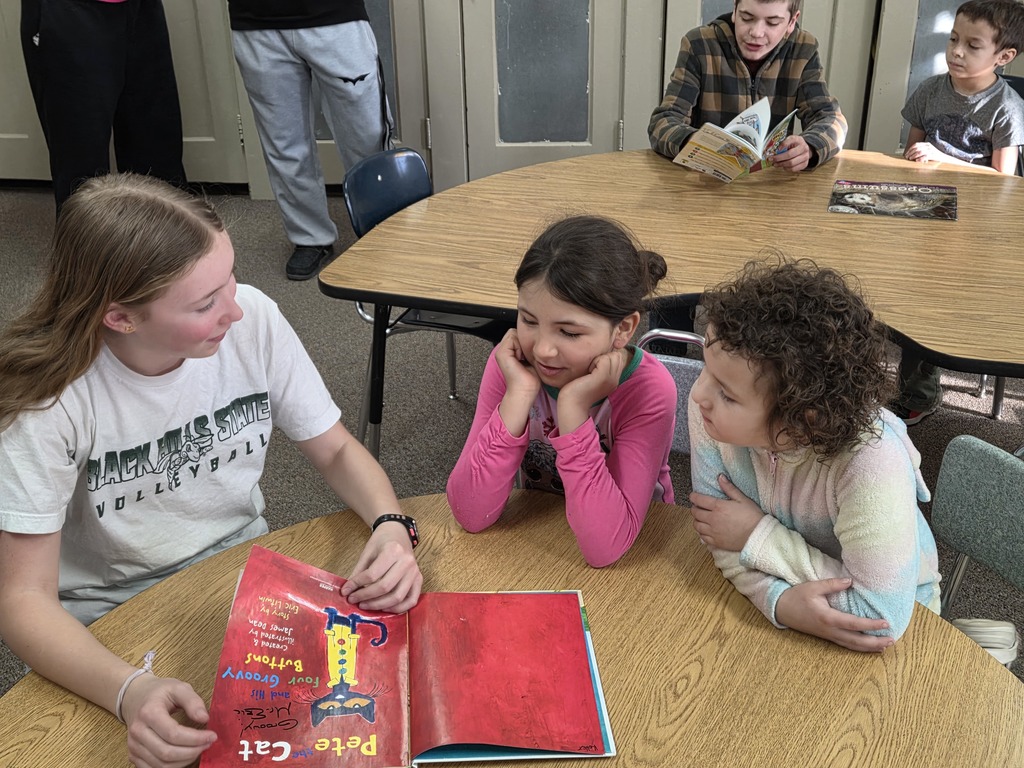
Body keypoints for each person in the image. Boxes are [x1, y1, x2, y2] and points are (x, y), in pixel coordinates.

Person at [0, 174, 422, 768]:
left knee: (374, 719)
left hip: (242, 574)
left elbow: (335, 450)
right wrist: (128, 691)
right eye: (205, 304)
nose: (236, 310)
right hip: (114, 619)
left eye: (230, 279)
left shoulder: (253, 315)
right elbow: (21, 599)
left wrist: (390, 522)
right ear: (121, 318)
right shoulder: (49, 403)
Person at [687, 258, 941, 652]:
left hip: (905, 624)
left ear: (801, 420)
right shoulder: (711, 415)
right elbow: (716, 533)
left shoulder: (872, 462)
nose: (699, 394)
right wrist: (781, 603)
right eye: (706, 370)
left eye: (726, 393)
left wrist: (757, 535)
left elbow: (879, 619)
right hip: (789, 606)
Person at [447, 215, 677, 568]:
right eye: (528, 320)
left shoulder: (648, 389)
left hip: (639, 556)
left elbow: (606, 546)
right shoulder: (513, 368)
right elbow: (469, 512)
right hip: (541, 533)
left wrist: (572, 409)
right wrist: (519, 394)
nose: (542, 350)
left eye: (568, 333)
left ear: (623, 329)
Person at [895, 0, 1024, 424]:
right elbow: (910, 152)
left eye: (972, 45)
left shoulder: (1005, 107)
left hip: (973, 222)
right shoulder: (931, 89)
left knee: (928, 303)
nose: (956, 51)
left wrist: (943, 159)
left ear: (1003, 57)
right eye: (953, 39)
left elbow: (1003, 180)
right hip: (920, 207)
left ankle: (920, 388)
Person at [227, 0, 394, 281]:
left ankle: (382, 229)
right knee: (283, 142)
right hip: (255, 23)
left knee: (367, 135)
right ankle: (310, 236)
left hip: (336, 18)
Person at [19, 0, 188, 214]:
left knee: (157, 154)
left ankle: (169, 244)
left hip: (141, 7)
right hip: (68, 10)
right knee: (81, 169)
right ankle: (87, 246)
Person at [648, 0, 847, 173]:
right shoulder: (699, 44)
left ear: (792, 21)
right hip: (704, 182)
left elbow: (831, 119)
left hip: (769, 186)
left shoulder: (804, 49)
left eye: (772, 23)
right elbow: (663, 122)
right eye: (747, 18)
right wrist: (695, 143)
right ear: (735, 9)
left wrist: (810, 147)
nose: (756, 32)